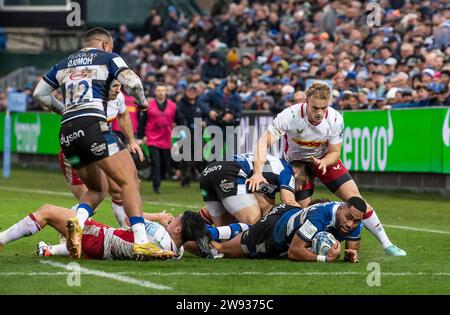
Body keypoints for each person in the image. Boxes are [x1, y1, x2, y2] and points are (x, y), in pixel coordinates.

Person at [246, 81, 406, 256]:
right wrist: (257, 172)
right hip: (297, 165)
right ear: (306, 101)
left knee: (357, 201)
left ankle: (387, 244)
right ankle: (310, 247)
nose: (319, 113)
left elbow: (335, 152)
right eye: (315, 108)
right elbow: (263, 143)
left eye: (324, 108)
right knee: (303, 215)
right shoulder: (290, 115)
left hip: (324, 160)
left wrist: (324, 163)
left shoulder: (335, 118)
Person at [33, 27, 151, 259]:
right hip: (93, 125)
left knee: (97, 189)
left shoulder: (65, 62)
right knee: (129, 180)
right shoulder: (108, 57)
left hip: (67, 132)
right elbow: (133, 82)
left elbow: (39, 93)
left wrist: (63, 109)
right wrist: (142, 101)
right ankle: (142, 241)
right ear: (105, 45)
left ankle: (76, 223)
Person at [58, 80, 143, 228]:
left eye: (120, 86)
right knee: (93, 202)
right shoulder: (86, 100)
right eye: (114, 87)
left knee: (118, 191)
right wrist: (62, 109)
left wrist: (131, 141)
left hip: (100, 147)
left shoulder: (119, 98)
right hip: (76, 149)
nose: (118, 90)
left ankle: (127, 230)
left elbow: (123, 115)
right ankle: (64, 228)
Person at [0, 204, 207, 261]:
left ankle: (1, 239)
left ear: (178, 229)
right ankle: (54, 248)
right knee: (74, 213)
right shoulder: (177, 253)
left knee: (46, 211)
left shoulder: (160, 233)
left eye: (174, 219)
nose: (171, 219)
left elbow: (129, 218)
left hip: (99, 238)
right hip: (104, 244)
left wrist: (158, 217)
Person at [211, 197, 366, 263]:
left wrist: (351, 255)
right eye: (348, 217)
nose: (350, 224)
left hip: (291, 216)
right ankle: (193, 232)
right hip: (274, 230)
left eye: (356, 221)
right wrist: (324, 258)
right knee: (221, 250)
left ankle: (216, 231)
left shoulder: (355, 221)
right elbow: (294, 252)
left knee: (245, 231)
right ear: (340, 209)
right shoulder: (320, 217)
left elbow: (352, 251)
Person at [199, 153, 309, 226]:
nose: (300, 188)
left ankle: (187, 231)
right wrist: (307, 218)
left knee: (222, 231)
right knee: (253, 224)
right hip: (231, 171)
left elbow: (267, 212)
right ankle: (188, 230)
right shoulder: (288, 171)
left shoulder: (272, 177)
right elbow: (289, 202)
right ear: (298, 172)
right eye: (303, 183)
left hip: (208, 172)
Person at [138, 83, 186, 194]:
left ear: (166, 92)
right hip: (152, 138)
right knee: (156, 162)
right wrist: (140, 137)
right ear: (155, 92)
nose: (160, 92)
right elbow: (142, 122)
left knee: (165, 163)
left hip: (166, 138)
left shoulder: (173, 106)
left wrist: (182, 130)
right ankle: (156, 185)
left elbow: (181, 120)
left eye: (162, 90)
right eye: (158, 90)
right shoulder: (149, 105)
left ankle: (166, 176)